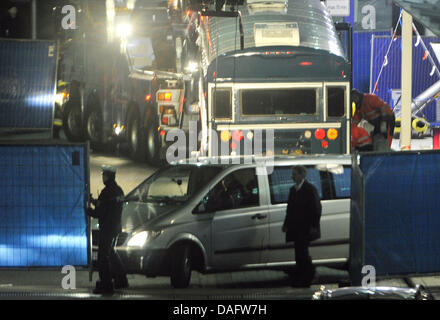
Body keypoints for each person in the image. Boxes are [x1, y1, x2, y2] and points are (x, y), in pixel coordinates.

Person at [87, 165, 128, 294]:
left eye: (103, 175)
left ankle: (106, 285)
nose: (102, 177)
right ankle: (121, 280)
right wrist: (94, 201)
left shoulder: (106, 192)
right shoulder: (118, 190)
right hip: (116, 227)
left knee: (103, 257)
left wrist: (87, 210)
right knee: (112, 253)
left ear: (107, 176)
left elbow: (99, 212)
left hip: (107, 228)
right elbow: (106, 206)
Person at [282, 166, 321, 287]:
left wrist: (313, 226)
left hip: (305, 229)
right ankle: (305, 275)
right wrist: (286, 224)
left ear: (301, 175)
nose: (292, 176)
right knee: (299, 254)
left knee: (302, 253)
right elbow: (290, 210)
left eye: (294, 174)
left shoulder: (309, 189)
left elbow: (316, 209)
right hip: (296, 229)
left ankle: (307, 278)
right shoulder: (293, 190)